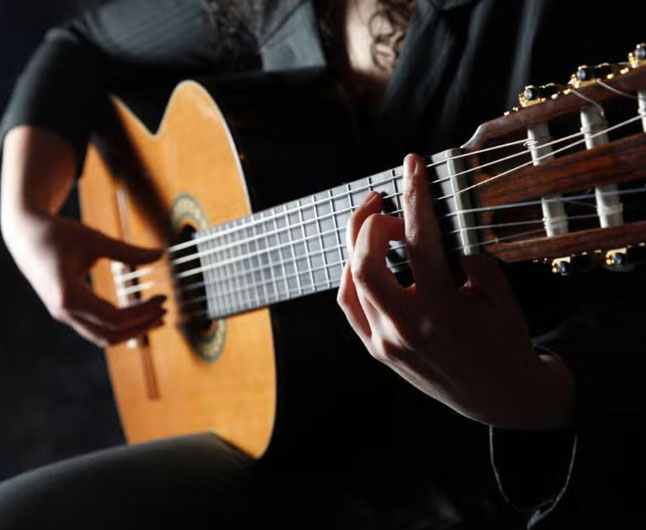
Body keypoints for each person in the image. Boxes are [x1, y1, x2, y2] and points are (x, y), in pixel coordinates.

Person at [0, 0, 644, 528]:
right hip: (295, 426)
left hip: (476, 468)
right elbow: (78, 48)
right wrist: (25, 215)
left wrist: (536, 393)